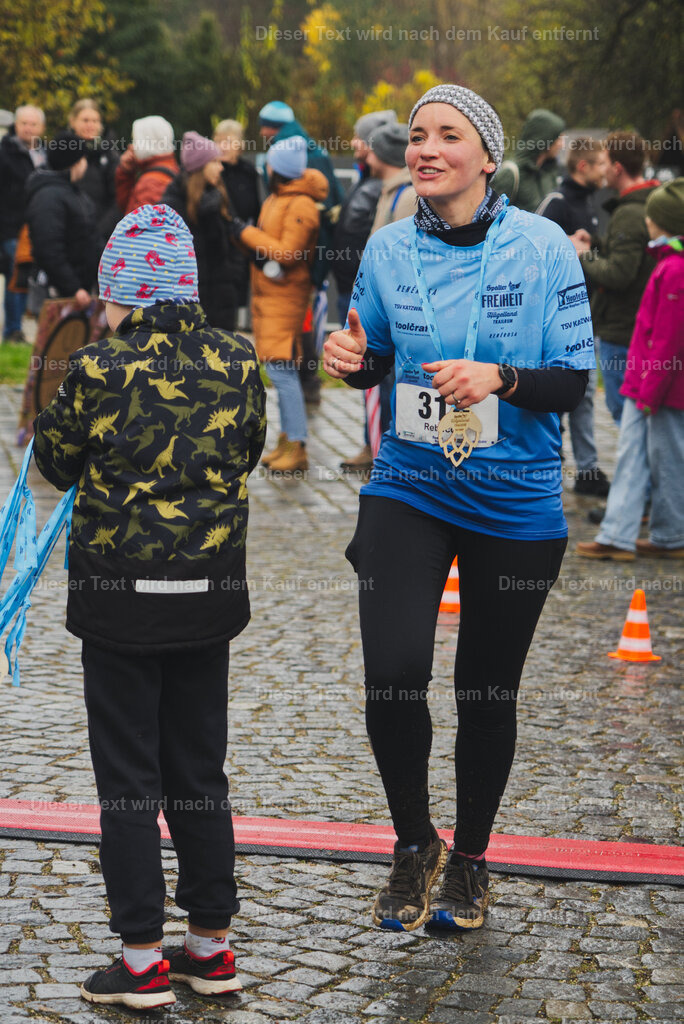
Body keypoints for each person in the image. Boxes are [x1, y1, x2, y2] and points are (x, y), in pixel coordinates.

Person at [324, 83, 593, 932]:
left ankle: (470, 861)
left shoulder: (544, 247)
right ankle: (414, 843)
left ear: (487, 156)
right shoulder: (389, 250)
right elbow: (372, 356)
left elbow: (574, 381)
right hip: (409, 485)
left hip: (514, 502)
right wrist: (348, 357)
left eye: (448, 135)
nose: (427, 148)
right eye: (416, 136)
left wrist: (500, 379)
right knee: (394, 674)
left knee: (485, 690)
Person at [32, 203, 266, 1009]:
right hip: (207, 601)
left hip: (120, 605)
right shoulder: (240, 360)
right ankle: (212, 946)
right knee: (200, 771)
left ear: (119, 293)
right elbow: (251, 451)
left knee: (129, 779)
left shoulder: (96, 369)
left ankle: (139, 962)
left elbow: (54, 465)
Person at [576, 179, 684, 561]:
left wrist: (649, 391)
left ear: (662, 222)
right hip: (647, 385)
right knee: (637, 456)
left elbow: (667, 341)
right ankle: (624, 535)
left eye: (652, 216)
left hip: (656, 389)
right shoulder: (666, 264)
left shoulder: (673, 271)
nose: (647, 222)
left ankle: (665, 536)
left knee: (663, 460)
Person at [229, 136, 328, 473]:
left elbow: (287, 253)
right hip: (270, 297)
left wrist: (245, 233)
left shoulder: (299, 204)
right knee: (277, 370)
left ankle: (297, 445)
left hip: (285, 298)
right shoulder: (278, 198)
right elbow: (266, 247)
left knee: (283, 373)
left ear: (275, 168)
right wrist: (244, 236)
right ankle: (286, 440)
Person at [340, 119, 416, 472]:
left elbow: (403, 259)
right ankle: (380, 446)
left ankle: (387, 449)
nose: (365, 153)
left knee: (392, 386)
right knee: (378, 382)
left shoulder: (408, 196)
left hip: (395, 312)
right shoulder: (389, 189)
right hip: (380, 309)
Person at [258, 101, 344, 403]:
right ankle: (306, 382)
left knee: (299, 318)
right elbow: (336, 200)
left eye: (264, 126)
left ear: (271, 127)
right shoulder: (315, 147)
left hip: (298, 257)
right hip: (316, 251)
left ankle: (304, 382)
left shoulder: (287, 149)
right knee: (306, 316)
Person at [539, 137, 611, 496]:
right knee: (558, 395)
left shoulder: (589, 202)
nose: (605, 170)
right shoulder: (557, 202)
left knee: (584, 397)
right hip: (553, 320)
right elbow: (530, 249)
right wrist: (569, 244)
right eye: (599, 163)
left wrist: (588, 243)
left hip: (586, 317)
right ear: (582, 166)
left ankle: (588, 470)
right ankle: (548, 462)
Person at [571, 131, 659, 424]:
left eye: (604, 162)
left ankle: (643, 471)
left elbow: (619, 274)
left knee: (626, 416)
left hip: (622, 334)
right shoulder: (647, 205)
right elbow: (631, 253)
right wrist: (596, 241)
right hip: (636, 330)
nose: (601, 168)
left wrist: (584, 255)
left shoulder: (629, 213)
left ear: (618, 168)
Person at [332, 110, 397, 472]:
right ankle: (372, 442)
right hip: (352, 291)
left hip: (368, 297)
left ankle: (378, 446)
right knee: (369, 375)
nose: (355, 145)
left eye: (361, 139)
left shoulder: (382, 188)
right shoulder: (368, 181)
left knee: (381, 378)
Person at [163, 131, 241, 330]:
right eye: (214, 161)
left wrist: (232, 275)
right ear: (200, 166)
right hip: (188, 307)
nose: (221, 167)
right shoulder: (172, 205)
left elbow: (233, 243)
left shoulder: (219, 198)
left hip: (221, 303)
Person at [25, 129, 99, 308]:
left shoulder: (73, 192)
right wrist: (73, 288)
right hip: (58, 293)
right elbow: (49, 248)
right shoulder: (49, 197)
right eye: (83, 158)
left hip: (79, 289)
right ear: (75, 162)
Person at [0, 105, 46, 341]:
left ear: (42, 127)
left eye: (33, 124)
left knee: (34, 277)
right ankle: (13, 331)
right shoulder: (4, 152)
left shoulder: (46, 154)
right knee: (16, 275)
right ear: (16, 125)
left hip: (40, 226)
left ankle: (42, 331)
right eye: (24, 123)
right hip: (12, 227)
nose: (28, 128)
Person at [213, 119, 261, 311]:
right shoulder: (211, 171)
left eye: (229, 142)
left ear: (240, 146)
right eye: (219, 141)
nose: (223, 147)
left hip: (241, 247)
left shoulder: (249, 173)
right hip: (216, 246)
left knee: (234, 304)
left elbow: (257, 209)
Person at [68, 98, 120, 252]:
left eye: (95, 121)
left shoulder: (111, 156)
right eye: (85, 120)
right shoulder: (63, 153)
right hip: (69, 234)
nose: (90, 125)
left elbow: (117, 200)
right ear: (73, 122)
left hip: (102, 237)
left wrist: (98, 232)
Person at [491, 108, 565, 213]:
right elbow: (493, 219)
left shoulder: (548, 173)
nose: (562, 145)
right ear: (544, 139)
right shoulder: (511, 174)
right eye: (558, 139)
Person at [115, 116, 179, 215]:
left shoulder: (151, 183)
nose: (131, 146)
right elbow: (128, 206)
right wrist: (126, 174)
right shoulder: (171, 167)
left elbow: (135, 224)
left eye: (135, 140)